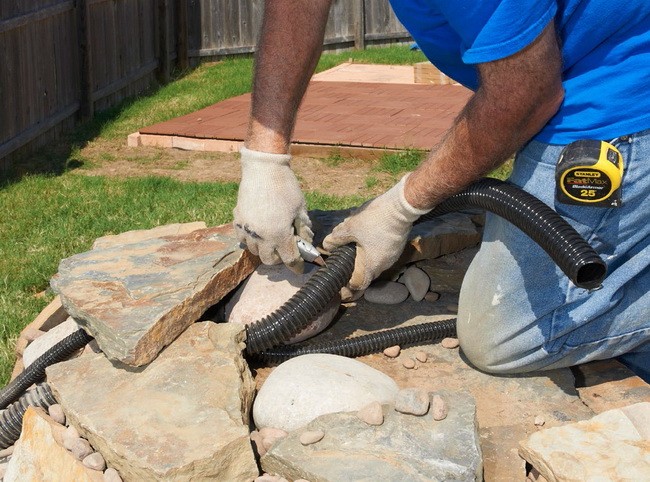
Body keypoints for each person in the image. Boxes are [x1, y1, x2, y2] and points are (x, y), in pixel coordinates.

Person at [233, 0, 650, 380]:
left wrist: (400, 208)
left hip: (618, 88)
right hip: (563, 72)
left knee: (503, 340)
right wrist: (264, 158)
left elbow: (525, 94)